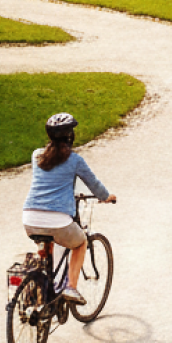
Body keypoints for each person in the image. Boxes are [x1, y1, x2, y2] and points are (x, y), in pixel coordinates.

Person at [21, 113, 116, 305]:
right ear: (70, 136)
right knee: (80, 243)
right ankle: (71, 287)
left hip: (30, 218)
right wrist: (106, 197)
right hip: (58, 221)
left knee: (47, 247)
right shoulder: (75, 160)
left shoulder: (36, 155)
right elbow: (93, 184)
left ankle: (43, 292)